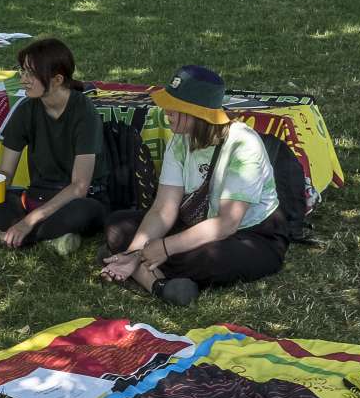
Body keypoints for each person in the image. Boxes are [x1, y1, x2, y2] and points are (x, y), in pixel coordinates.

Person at [100, 65, 287, 307]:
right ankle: (157, 283)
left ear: (197, 113)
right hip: (196, 224)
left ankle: (144, 271)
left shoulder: (244, 146)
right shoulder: (180, 139)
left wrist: (165, 248)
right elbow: (163, 209)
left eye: (175, 108)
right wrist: (134, 252)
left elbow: (227, 224)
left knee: (208, 259)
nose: (166, 112)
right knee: (118, 225)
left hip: (250, 234)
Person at [0, 37, 108, 254]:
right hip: (35, 197)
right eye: (23, 71)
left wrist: (28, 222)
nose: (24, 79)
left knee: (83, 212)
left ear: (57, 79)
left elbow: (79, 187)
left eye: (31, 74)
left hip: (75, 199)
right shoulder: (26, 110)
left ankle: (6, 234)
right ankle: (49, 238)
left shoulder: (84, 112)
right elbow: (6, 170)